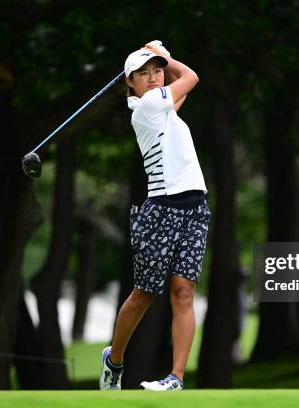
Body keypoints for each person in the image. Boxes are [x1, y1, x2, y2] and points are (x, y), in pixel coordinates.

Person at [99, 41, 211, 391]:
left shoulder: (165, 111)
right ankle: (114, 360)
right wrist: (168, 55)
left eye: (157, 70)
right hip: (161, 208)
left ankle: (176, 378)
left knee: (184, 292)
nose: (153, 77)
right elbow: (190, 77)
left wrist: (161, 54)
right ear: (129, 82)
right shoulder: (147, 106)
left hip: (195, 208)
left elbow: (180, 96)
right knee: (144, 293)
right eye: (143, 73)